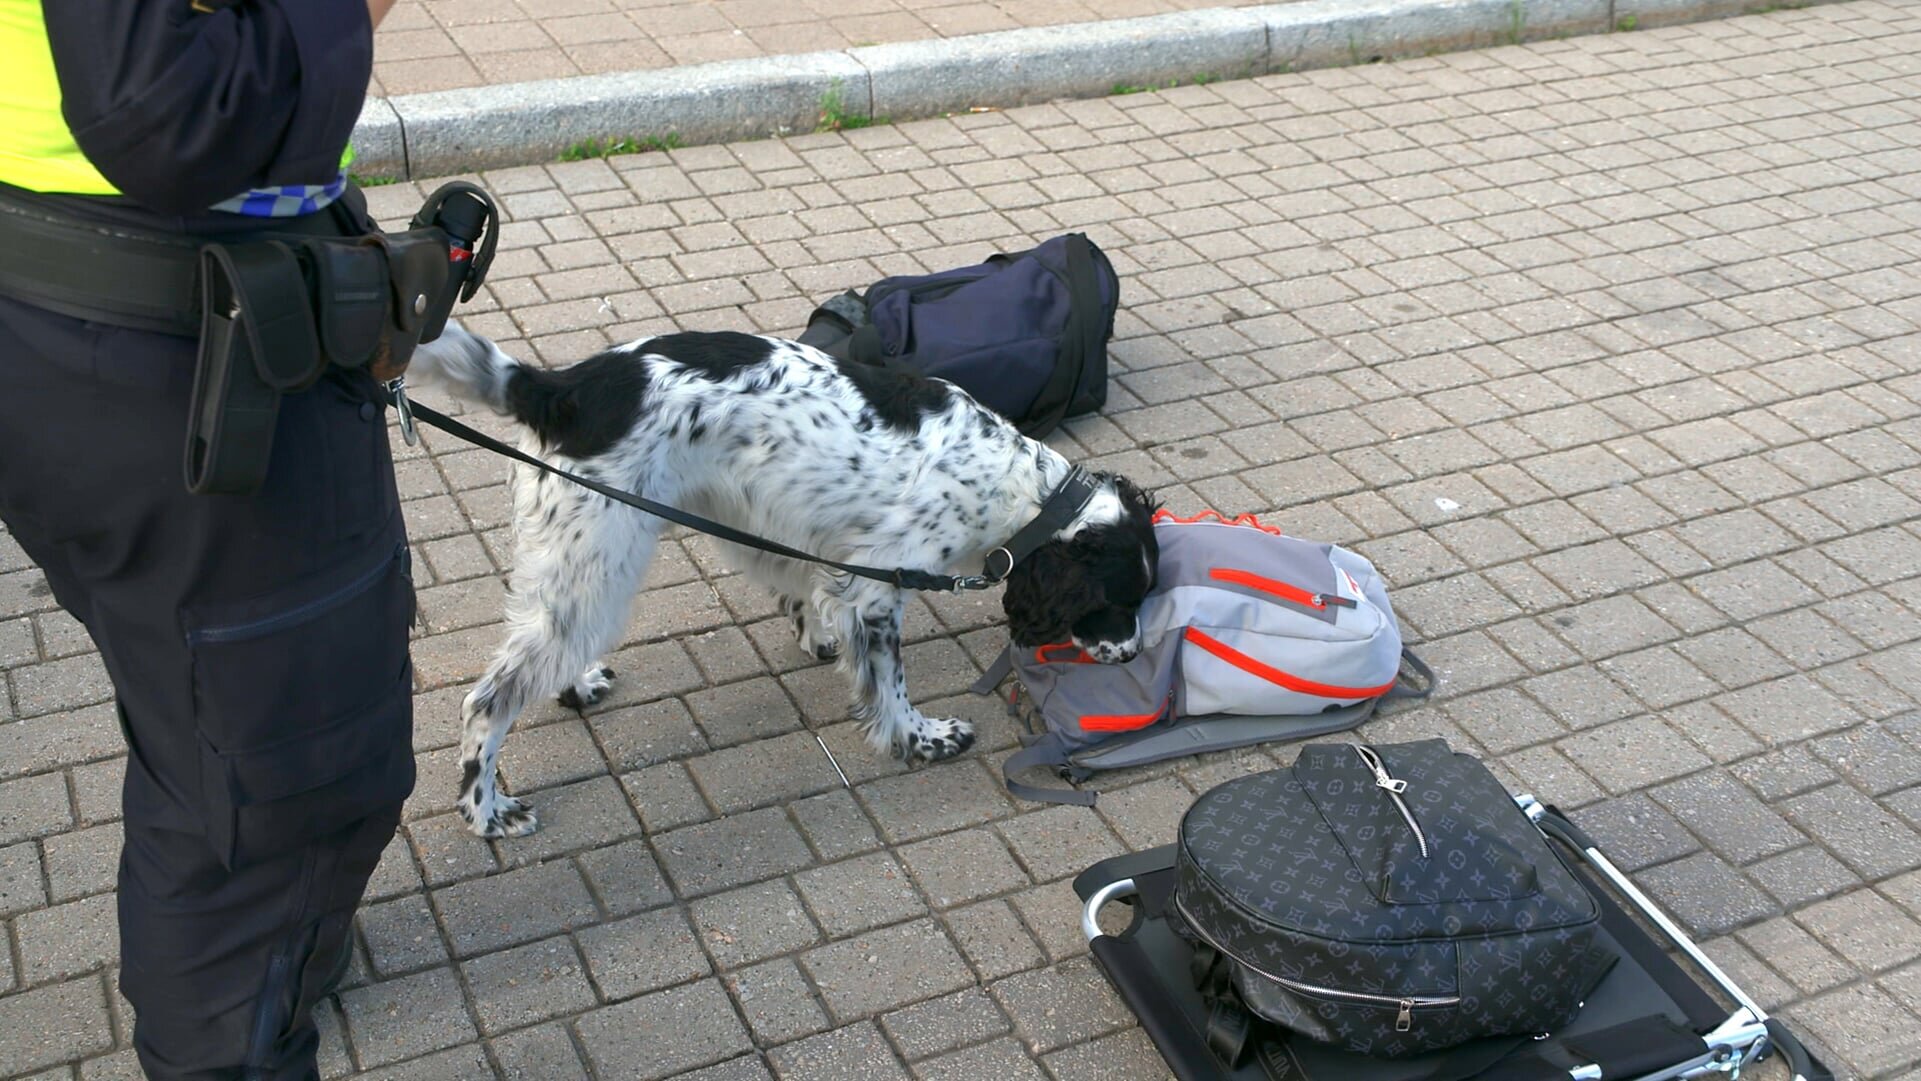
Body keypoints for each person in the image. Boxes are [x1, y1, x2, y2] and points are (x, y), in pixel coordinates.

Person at [0, 2, 420, 1076]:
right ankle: (243, 1006)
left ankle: (290, 953)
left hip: (106, 316)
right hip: (167, 338)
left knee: (225, 726)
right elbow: (162, 107)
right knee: (275, 791)